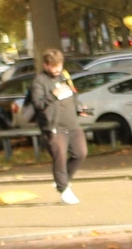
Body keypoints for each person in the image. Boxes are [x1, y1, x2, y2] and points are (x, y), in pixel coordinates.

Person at [25, 46, 87, 204]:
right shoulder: (39, 82)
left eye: (60, 65)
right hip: (54, 127)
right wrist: (53, 95)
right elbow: (38, 104)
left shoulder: (63, 76)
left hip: (72, 124)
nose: (58, 69)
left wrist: (79, 108)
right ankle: (63, 189)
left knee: (80, 153)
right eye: (54, 66)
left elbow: (72, 96)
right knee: (59, 157)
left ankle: (63, 180)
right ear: (46, 65)